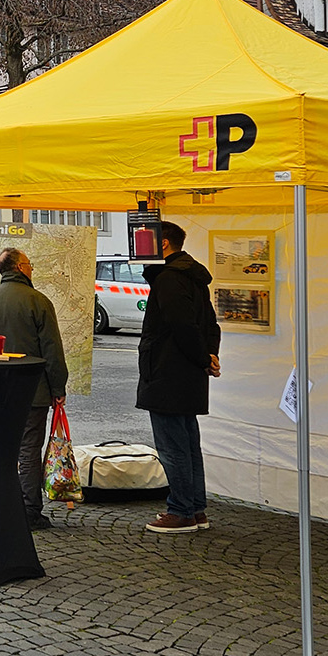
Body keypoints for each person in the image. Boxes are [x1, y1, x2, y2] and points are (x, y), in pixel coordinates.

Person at [0, 247, 69, 530]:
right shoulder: (38, 301)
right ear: (21, 267)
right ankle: (29, 511)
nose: (32, 268)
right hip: (32, 392)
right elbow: (51, 350)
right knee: (28, 450)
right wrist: (58, 386)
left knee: (0, 449)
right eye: (30, 264)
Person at [136, 221, 221, 534]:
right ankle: (195, 508)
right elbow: (210, 324)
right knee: (187, 445)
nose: (141, 251)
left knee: (174, 446)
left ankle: (182, 510)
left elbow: (182, 325)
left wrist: (204, 357)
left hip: (168, 373)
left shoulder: (170, 278)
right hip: (186, 374)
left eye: (145, 243)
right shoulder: (190, 276)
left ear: (165, 244)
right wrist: (209, 356)